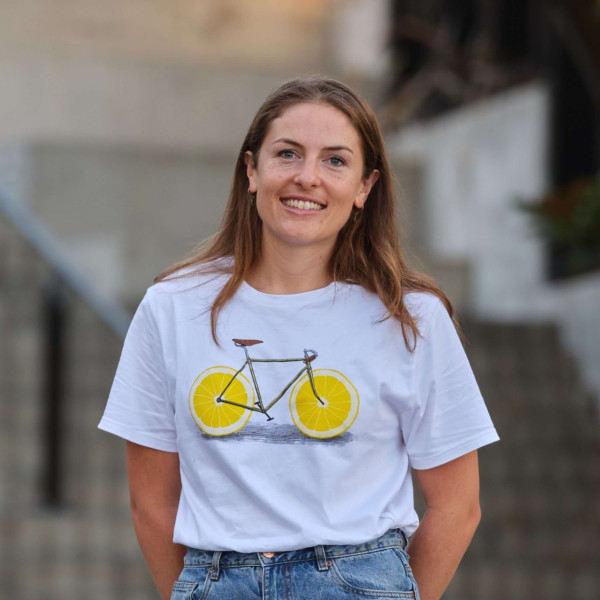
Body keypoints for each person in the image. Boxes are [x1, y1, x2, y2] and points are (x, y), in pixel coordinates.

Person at [99, 75, 499, 600]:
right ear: (251, 170)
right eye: (287, 154)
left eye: (335, 160)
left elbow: (457, 505)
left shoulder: (411, 318)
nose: (307, 177)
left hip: (359, 581)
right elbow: (151, 502)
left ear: (365, 187)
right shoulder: (172, 307)